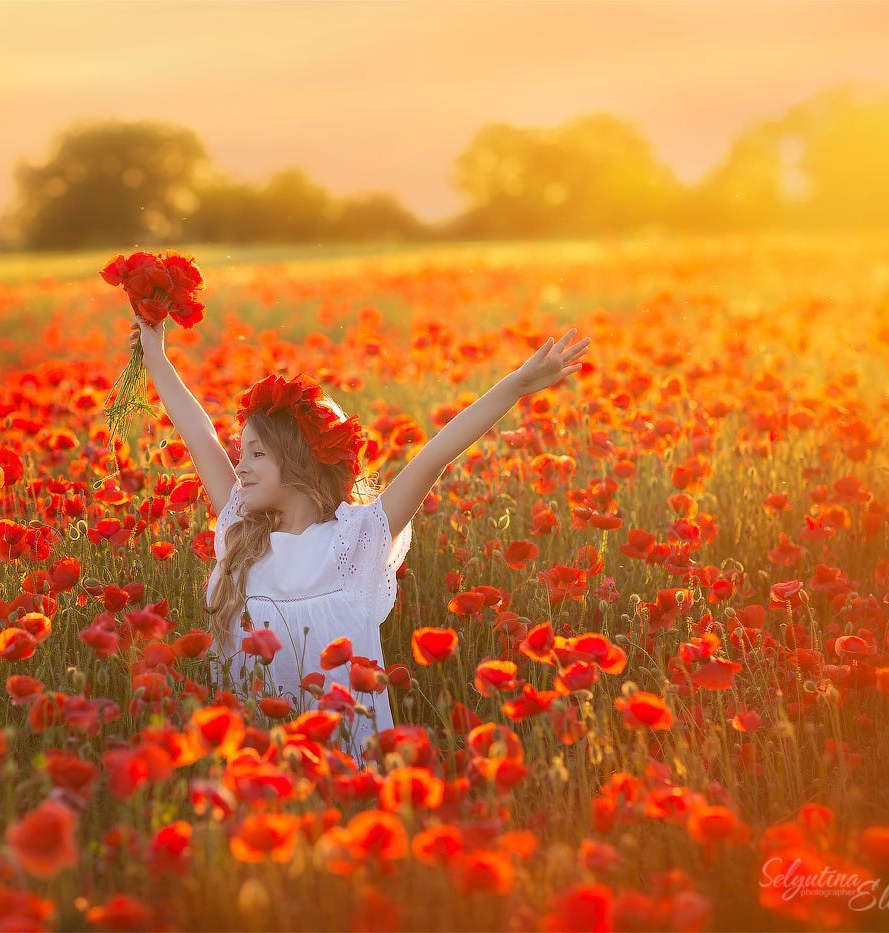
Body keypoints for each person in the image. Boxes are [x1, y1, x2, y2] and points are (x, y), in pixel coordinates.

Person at [129, 316, 590, 757]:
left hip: (343, 755)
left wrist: (516, 386)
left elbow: (435, 456)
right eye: (240, 452)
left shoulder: (356, 541)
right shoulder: (242, 537)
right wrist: (157, 356)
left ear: (300, 462)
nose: (240, 465)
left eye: (257, 453)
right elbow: (199, 435)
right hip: (254, 752)